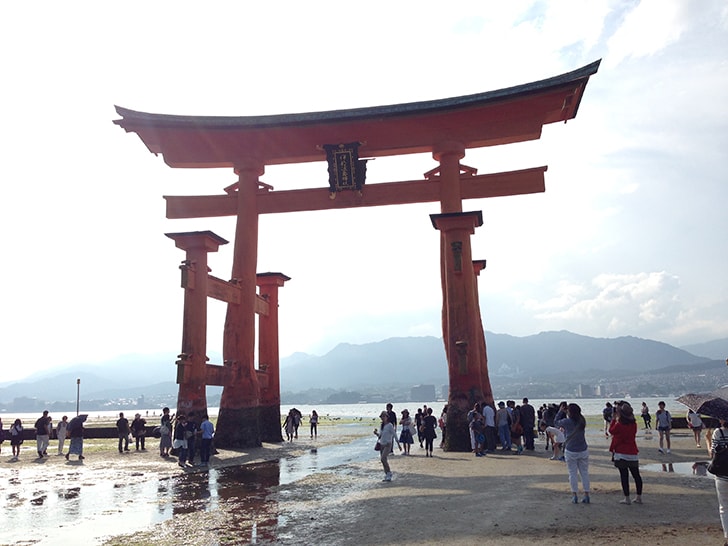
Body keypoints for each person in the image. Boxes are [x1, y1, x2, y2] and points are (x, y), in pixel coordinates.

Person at [609, 401, 643, 505]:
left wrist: (614, 419)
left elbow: (611, 431)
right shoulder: (634, 424)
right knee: (636, 475)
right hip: (632, 452)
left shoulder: (619, 425)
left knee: (624, 476)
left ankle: (627, 498)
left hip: (621, 452)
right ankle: (639, 496)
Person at [557, 403, 590, 504]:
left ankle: (574, 495)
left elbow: (556, 422)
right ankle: (586, 494)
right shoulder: (582, 421)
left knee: (572, 473)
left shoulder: (567, 422)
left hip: (571, 450)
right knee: (584, 473)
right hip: (583, 449)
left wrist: (560, 411)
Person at [709, 418, 728, 545]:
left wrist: (706, 439)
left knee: (724, 507)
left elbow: (712, 454)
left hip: (722, 475)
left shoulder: (718, 432)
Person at [374, 411, 395, 481]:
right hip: (382, 444)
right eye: (381, 417)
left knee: (383, 458)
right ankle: (387, 475)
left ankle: (389, 473)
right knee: (383, 460)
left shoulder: (390, 425)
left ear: (387, 417)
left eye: (384, 416)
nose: (382, 418)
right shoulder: (382, 425)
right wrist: (376, 433)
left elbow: (394, 434)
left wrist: (398, 444)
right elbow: (380, 435)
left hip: (388, 444)